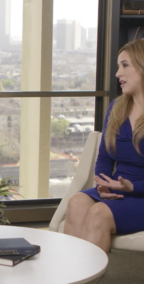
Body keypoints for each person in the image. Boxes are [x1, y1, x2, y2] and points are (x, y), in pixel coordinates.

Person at [64, 39, 144, 253]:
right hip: (117, 191)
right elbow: (105, 158)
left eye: (125, 65)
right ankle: (70, 274)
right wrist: (103, 184)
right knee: (76, 203)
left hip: (140, 194)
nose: (118, 73)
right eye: (119, 67)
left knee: (99, 212)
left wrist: (132, 187)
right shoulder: (116, 109)